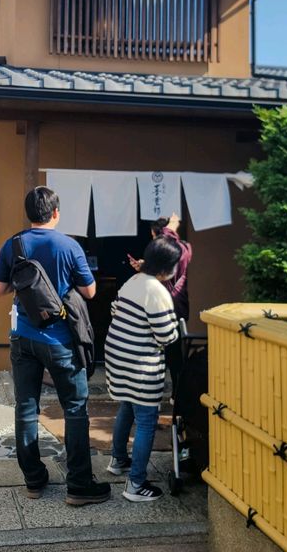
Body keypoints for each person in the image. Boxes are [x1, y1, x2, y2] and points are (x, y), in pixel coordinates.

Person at [0, 186, 111, 506]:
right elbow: (90, 292)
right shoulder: (69, 246)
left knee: (26, 407)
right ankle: (79, 485)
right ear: (56, 213)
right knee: (74, 409)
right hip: (60, 339)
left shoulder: (13, 244)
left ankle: (34, 479)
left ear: (29, 213)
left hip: (23, 338)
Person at [106, 235, 181, 502]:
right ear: (166, 267)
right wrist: (175, 328)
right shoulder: (157, 290)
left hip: (118, 357)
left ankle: (118, 460)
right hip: (141, 364)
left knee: (126, 405)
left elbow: (115, 310)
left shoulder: (134, 280)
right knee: (147, 420)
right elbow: (166, 335)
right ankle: (135, 484)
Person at [128, 213, 192, 394]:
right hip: (176, 306)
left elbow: (165, 243)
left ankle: (173, 394)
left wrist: (171, 225)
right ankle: (175, 394)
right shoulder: (182, 249)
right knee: (172, 353)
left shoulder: (178, 248)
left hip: (168, 306)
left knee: (168, 353)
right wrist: (144, 266)